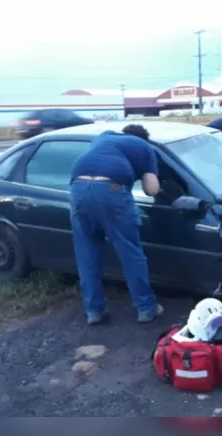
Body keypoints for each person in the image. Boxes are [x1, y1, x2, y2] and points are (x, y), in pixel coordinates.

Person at [69, 124, 163, 325]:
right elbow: (152, 190)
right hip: (111, 190)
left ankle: (93, 311)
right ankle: (146, 308)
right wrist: (146, 171)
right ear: (143, 138)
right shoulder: (145, 147)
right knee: (130, 251)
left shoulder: (104, 136)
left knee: (87, 253)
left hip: (78, 188)